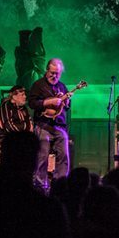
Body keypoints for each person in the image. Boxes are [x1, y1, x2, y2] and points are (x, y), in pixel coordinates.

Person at [28, 58, 71, 190]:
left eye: (57, 73)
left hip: (59, 126)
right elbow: (32, 103)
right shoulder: (38, 85)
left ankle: (60, 184)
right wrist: (47, 102)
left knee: (64, 155)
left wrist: (66, 102)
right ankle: (40, 185)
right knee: (42, 156)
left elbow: (67, 107)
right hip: (43, 125)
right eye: (52, 73)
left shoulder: (62, 86)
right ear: (47, 70)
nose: (54, 76)